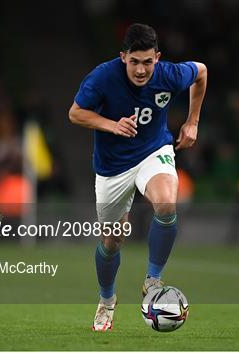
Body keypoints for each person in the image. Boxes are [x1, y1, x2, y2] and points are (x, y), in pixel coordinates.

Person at [68, 23, 207, 331]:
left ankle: (153, 282)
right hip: (112, 167)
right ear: (123, 58)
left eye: (147, 61)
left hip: (152, 151)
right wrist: (111, 125)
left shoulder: (168, 74)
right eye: (134, 62)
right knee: (112, 241)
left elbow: (201, 71)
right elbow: (75, 113)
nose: (141, 70)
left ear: (157, 57)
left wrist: (192, 121)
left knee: (167, 203)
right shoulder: (103, 77)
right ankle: (107, 300)